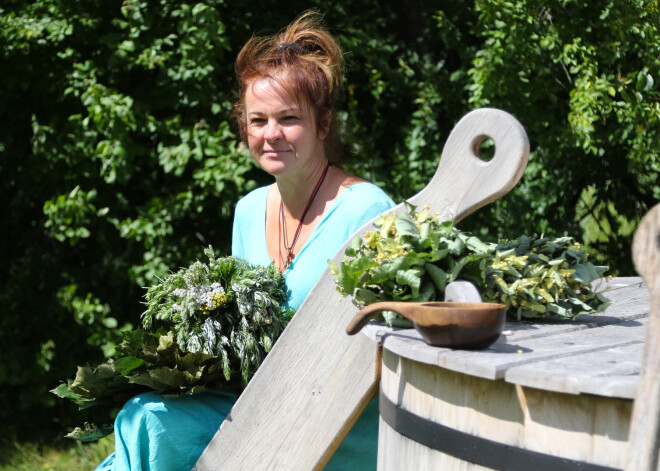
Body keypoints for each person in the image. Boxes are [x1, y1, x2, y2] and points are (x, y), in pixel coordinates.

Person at [96, 11, 394, 471]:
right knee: (146, 414)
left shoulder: (367, 212)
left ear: (324, 123)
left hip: (339, 421)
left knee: (153, 425)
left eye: (289, 118)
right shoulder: (249, 210)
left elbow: (385, 345)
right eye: (258, 120)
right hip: (257, 400)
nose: (271, 134)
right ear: (244, 126)